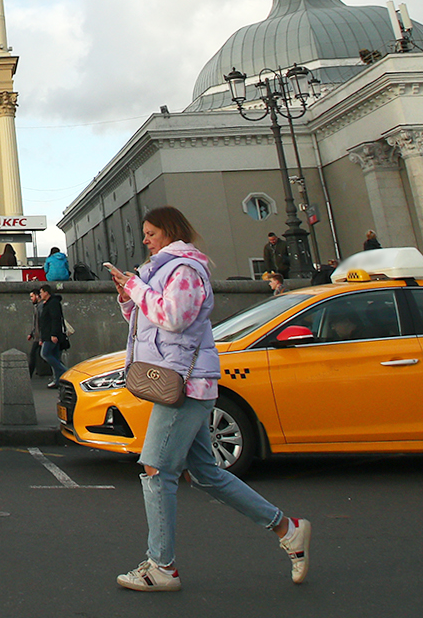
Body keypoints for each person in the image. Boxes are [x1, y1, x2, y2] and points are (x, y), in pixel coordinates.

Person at [109, 205, 311, 592]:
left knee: (156, 470)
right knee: (207, 472)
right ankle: (288, 528)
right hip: (182, 379)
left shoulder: (184, 269)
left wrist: (136, 288)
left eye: (151, 233)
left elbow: (175, 318)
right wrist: (128, 297)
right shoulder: (165, 271)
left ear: (169, 232)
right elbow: (153, 322)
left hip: (185, 384)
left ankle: (161, 567)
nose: (146, 240)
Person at [30, 284, 70, 386]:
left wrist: (53, 334)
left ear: (46, 292)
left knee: (45, 354)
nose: (40, 294)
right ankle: (58, 380)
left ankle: (67, 373)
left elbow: (55, 320)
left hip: (51, 335)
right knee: (55, 357)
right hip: (48, 335)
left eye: (41, 292)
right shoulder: (47, 303)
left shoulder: (52, 304)